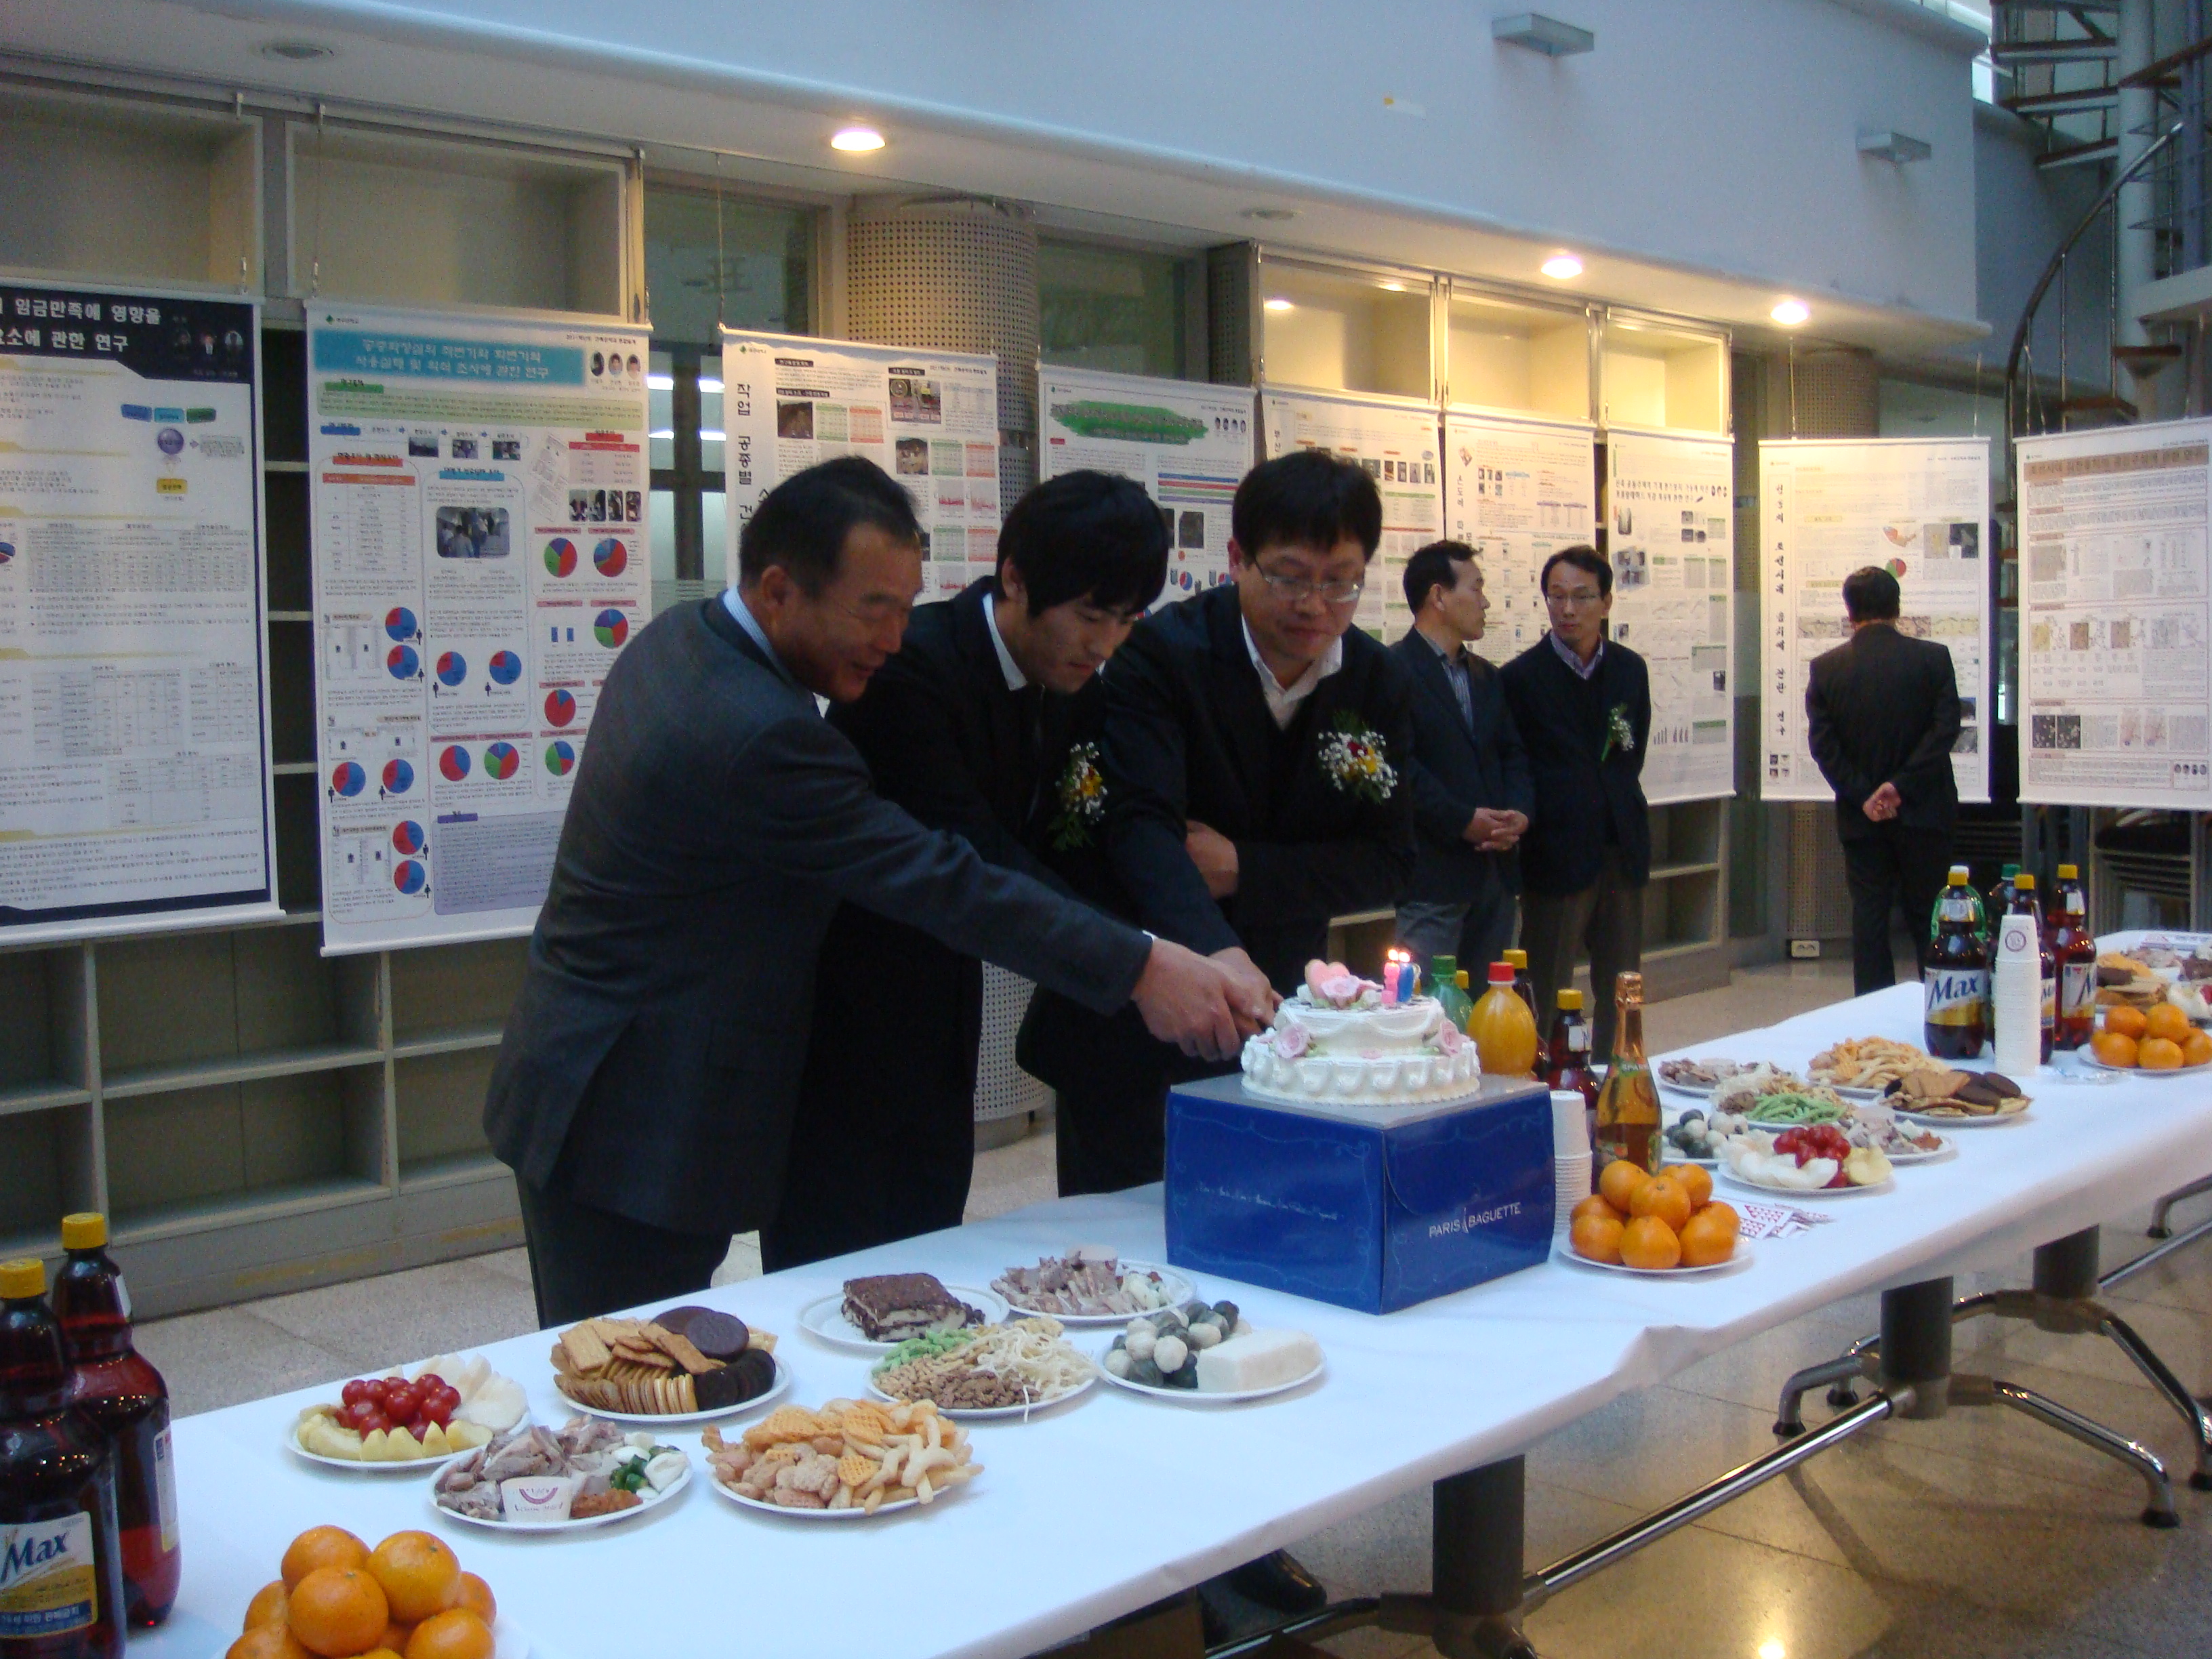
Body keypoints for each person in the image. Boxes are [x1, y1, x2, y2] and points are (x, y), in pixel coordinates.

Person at [483, 457, 1272, 1328]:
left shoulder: (686, 638)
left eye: (906, 606)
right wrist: (1142, 966)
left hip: (602, 1072)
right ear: (779, 589)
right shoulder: (763, 732)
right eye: (873, 610)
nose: (895, 639)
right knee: (626, 1368)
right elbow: (943, 878)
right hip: (635, 1113)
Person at [762, 471, 1170, 1272]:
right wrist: (1140, 961)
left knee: (929, 1252)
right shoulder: (911, 671)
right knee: (834, 1264)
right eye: (1091, 615)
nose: (1105, 644)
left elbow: (1086, 833)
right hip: (839, 1023)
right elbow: (975, 854)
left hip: (945, 1016)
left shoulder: (1073, 684)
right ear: (1015, 577)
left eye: (1126, 620)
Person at [1019, 448, 1417, 1197]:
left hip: (1284, 1026)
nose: (1315, 605)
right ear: (1237, 559)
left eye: (1341, 582)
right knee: (1120, 1240)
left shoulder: (1378, 679)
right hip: (1134, 1026)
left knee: (1269, 1224)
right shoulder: (1163, 655)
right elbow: (1140, 826)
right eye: (1289, 577)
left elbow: (1392, 857)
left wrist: (1244, 867)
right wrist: (1218, 953)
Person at [1500, 545, 1651, 1057]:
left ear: (1606, 602)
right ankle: (1543, 1079)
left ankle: (1618, 1079)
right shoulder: (1520, 678)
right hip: (1555, 851)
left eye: (1582, 597)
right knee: (1545, 983)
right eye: (1556, 596)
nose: (1567, 609)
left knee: (1622, 987)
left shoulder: (1630, 669)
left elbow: (1631, 754)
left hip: (1620, 846)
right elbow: (1516, 763)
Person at [1805, 563, 1962, 996]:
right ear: (1897, 608)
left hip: (1862, 818)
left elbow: (1824, 747)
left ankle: (1874, 1012)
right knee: (1930, 915)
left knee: (1870, 918)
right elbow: (1944, 731)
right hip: (1925, 810)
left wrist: (1865, 796)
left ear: (1849, 612)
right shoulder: (1933, 660)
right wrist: (1901, 786)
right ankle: (1942, 1005)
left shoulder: (1826, 669)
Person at [1389, 540, 1532, 979]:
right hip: (1433, 876)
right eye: (1476, 588)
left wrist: (1519, 814)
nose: (1485, 602)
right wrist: (1462, 820)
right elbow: (1398, 768)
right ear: (1439, 596)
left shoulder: (1487, 676)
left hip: (1495, 874)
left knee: (1493, 1006)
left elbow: (1512, 753)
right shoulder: (1392, 670)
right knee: (1427, 1006)